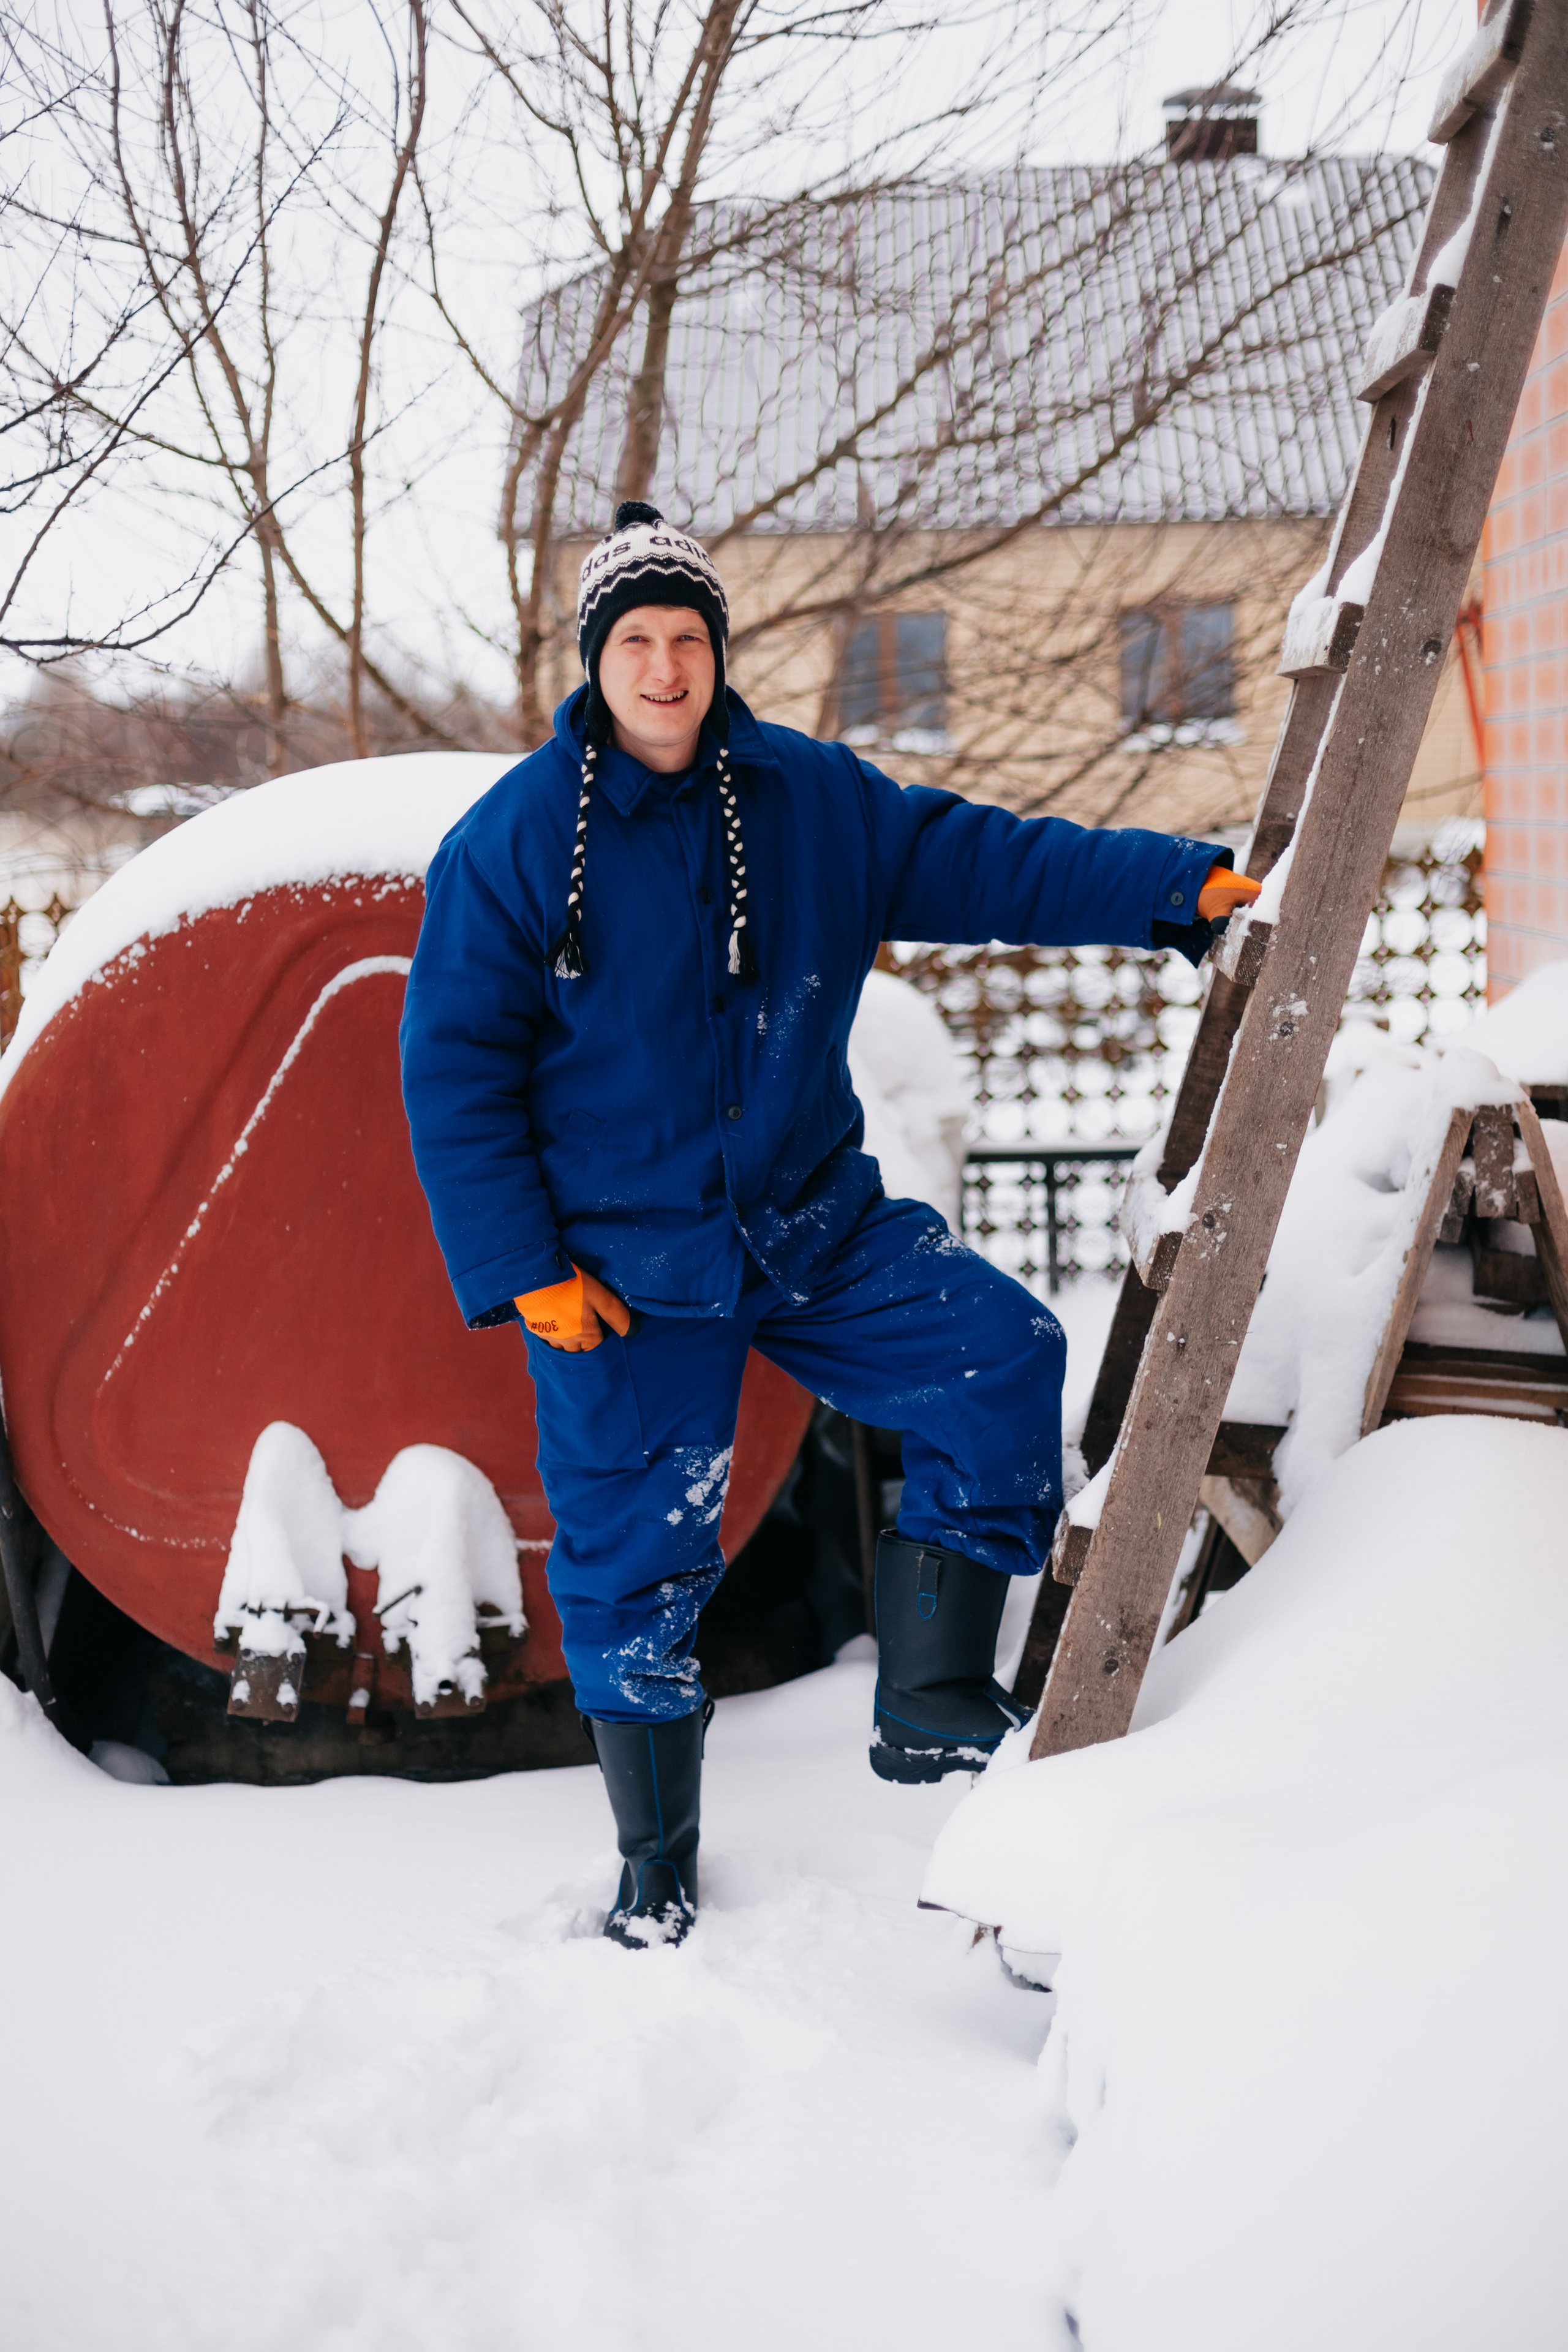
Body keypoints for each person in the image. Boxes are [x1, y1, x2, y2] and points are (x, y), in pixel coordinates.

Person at [399, 500, 1259, 1949]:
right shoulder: (512, 845)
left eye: (686, 639)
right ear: (594, 662)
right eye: (636, 642)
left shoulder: (807, 802)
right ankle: (654, 1863)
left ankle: (924, 1695)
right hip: (618, 1274)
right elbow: (452, 1071)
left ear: (717, 654)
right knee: (633, 1566)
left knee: (997, 1352)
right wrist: (523, 1270)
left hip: (809, 1225)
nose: (664, 667)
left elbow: (982, 861)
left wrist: (1170, 887)